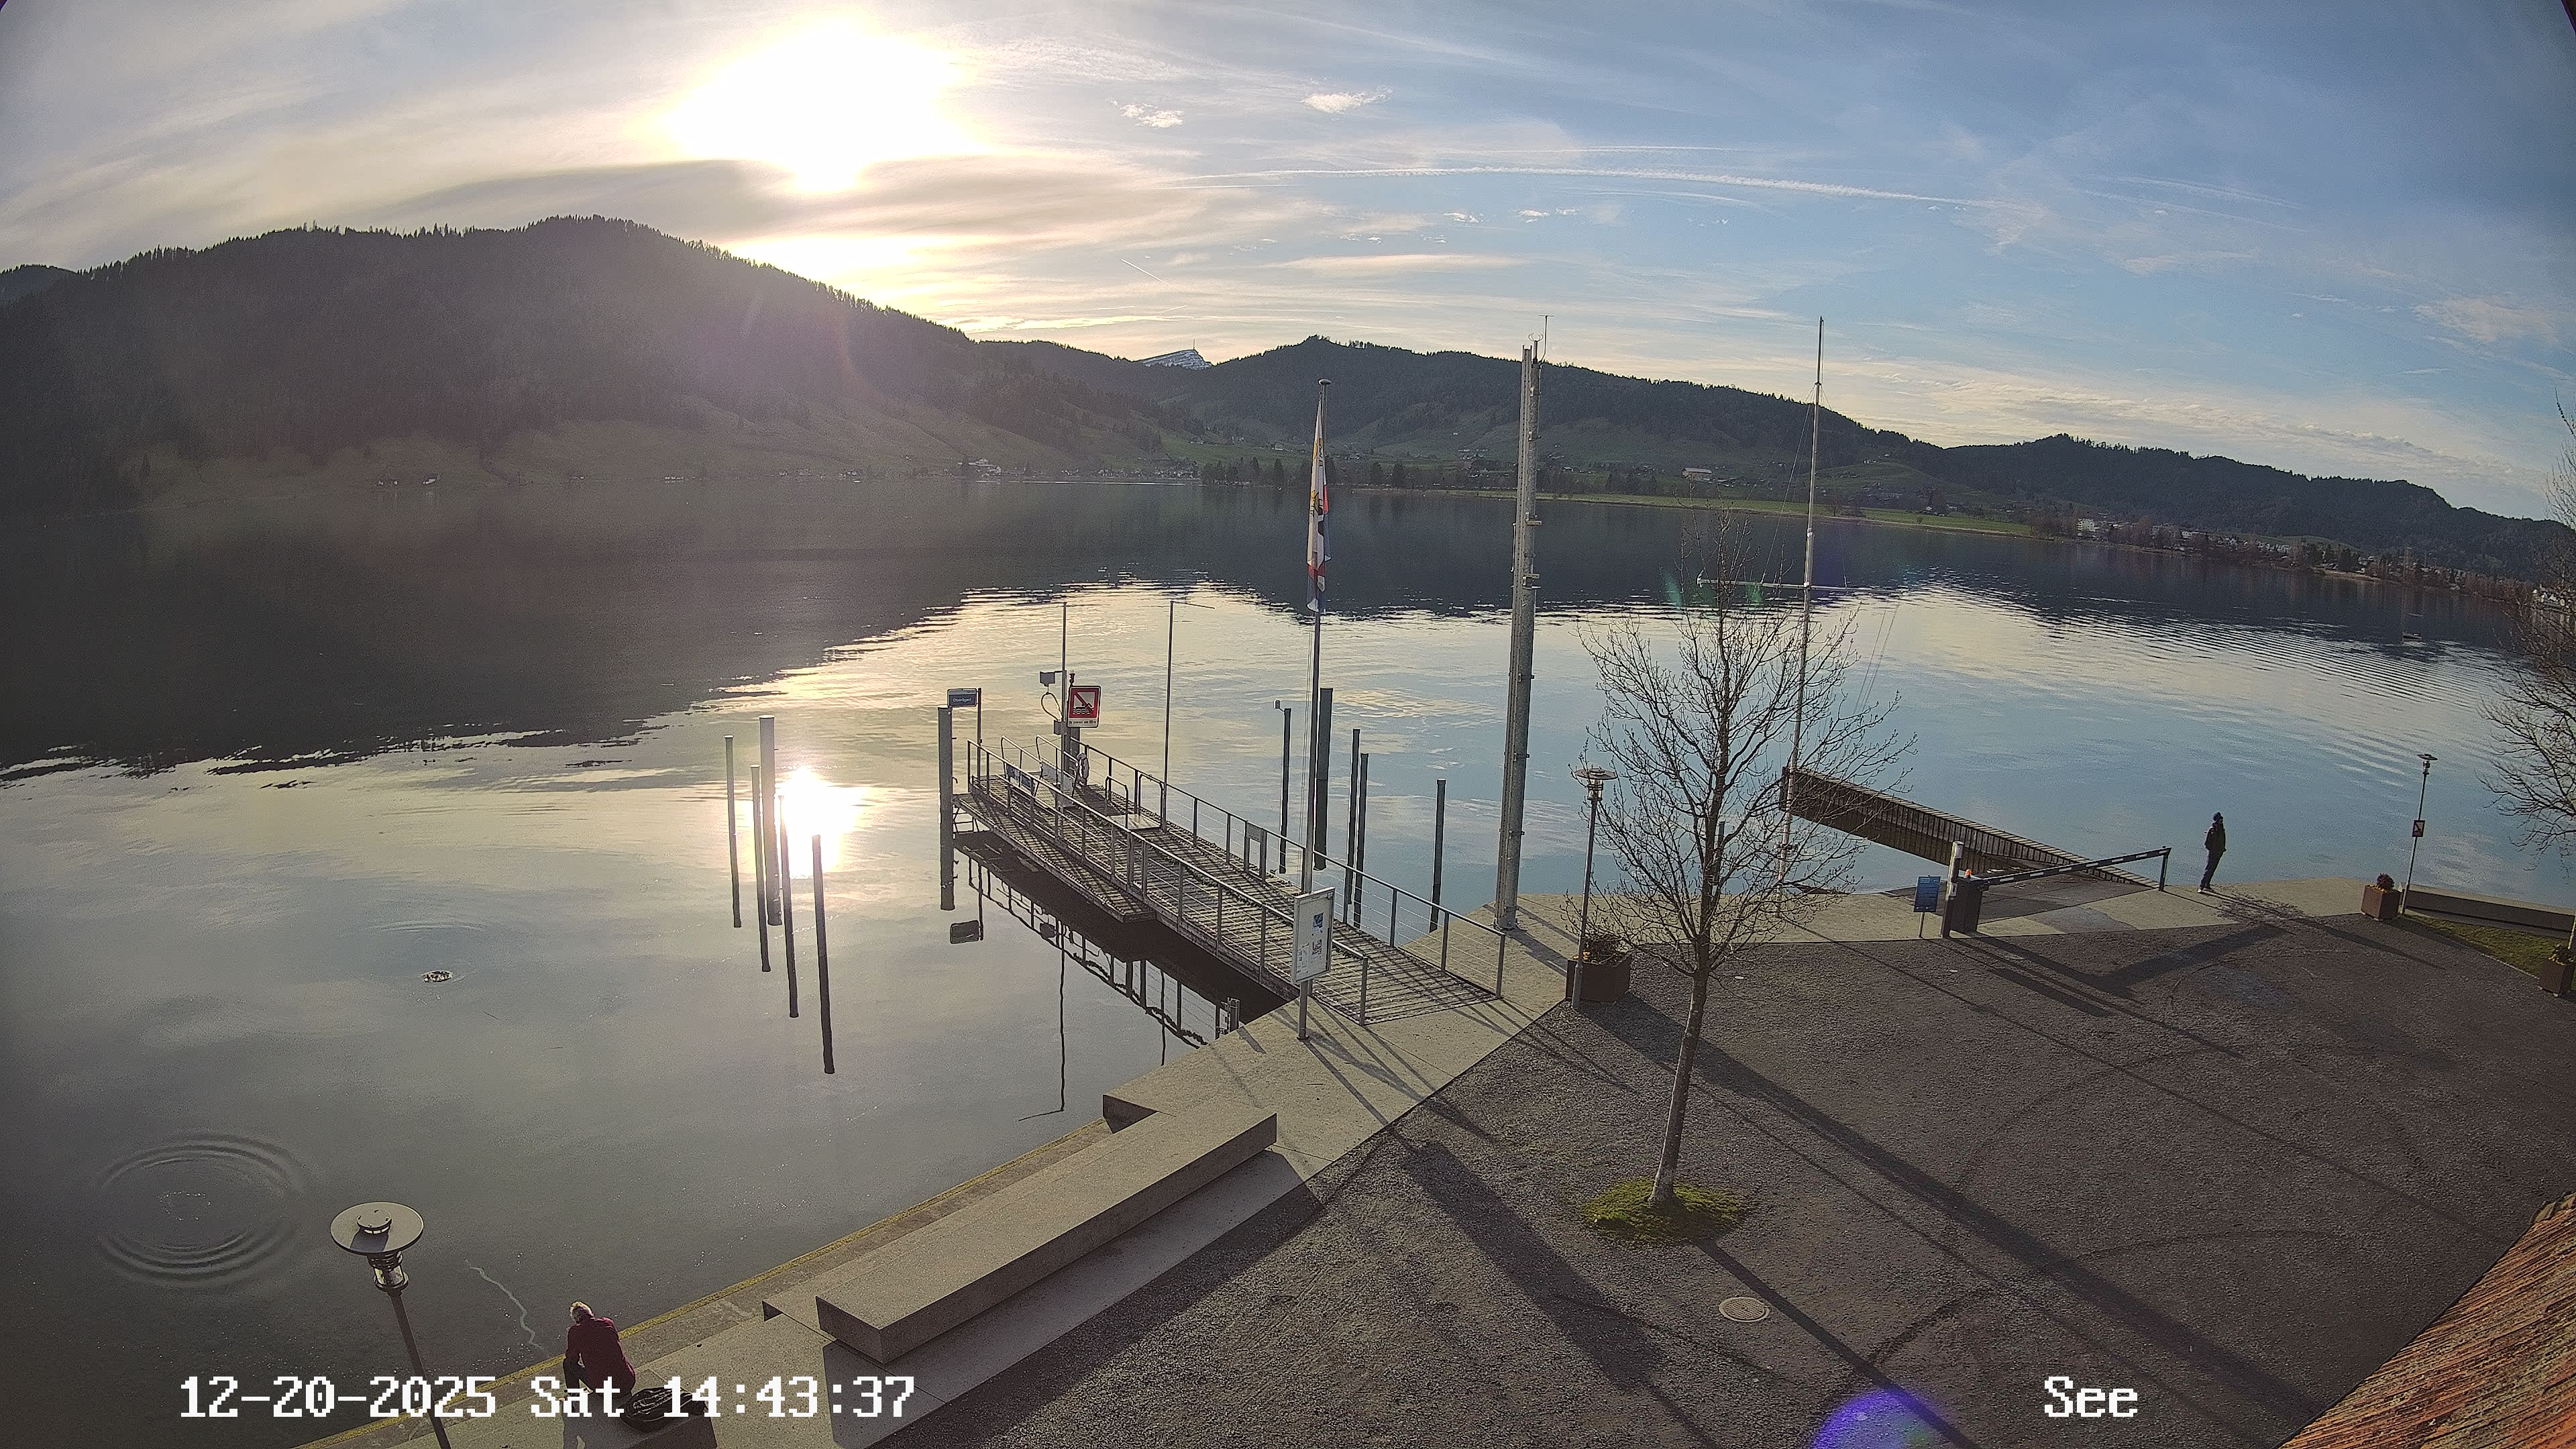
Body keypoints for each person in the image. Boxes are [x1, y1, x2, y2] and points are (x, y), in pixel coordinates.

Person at [562, 1301, 637, 1403]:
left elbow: (572, 1358)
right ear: (591, 1313)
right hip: (628, 1382)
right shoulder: (607, 1323)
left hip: (606, 1391)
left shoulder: (576, 1332)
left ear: (576, 1320)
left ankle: (574, 1395)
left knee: (568, 1364)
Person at [2200, 812, 2226, 892]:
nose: (2222, 820)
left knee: (2213, 869)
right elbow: (2206, 843)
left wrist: (2222, 849)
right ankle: (2201, 886)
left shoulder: (2222, 829)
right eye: (2220, 819)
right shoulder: (2211, 830)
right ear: (2217, 820)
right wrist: (2211, 850)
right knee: (2208, 869)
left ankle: (2207, 885)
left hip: (2219, 852)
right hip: (2213, 853)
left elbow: (2223, 840)